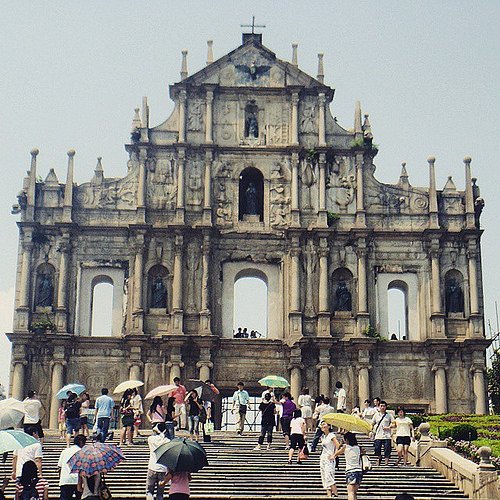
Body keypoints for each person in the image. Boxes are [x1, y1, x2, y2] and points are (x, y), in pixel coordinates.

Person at [57, 434, 86, 500]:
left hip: (65, 480)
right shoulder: (82, 452)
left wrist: (61, 479)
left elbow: (60, 467)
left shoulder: (64, 451)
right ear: (81, 442)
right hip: (78, 481)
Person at [337, 432, 364, 500]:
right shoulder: (358, 447)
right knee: (354, 492)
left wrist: (340, 444)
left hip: (351, 471)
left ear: (347, 440)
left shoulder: (346, 447)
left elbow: (337, 452)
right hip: (359, 472)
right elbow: (363, 452)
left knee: (350, 492)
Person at [146, 423, 170, 500]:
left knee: (149, 491)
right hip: (163, 468)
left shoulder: (151, 439)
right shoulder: (167, 441)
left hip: (152, 467)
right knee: (160, 493)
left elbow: (153, 433)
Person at [319, 421, 341, 498]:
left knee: (329, 476)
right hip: (323, 458)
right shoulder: (323, 436)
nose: (323, 426)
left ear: (328, 426)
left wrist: (334, 455)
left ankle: (336, 494)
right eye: (322, 425)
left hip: (330, 458)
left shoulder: (331, 435)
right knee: (324, 477)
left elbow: (338, 445)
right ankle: (329, 495)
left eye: (324, 424)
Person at [371, 400, 394, 466]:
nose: (382, 407)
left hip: (387, 435)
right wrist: (371, 431)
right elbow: (372, 424)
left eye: (384, 406)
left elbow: (394, 424)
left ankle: (386, 462)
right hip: (378, 435)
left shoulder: (389, 415)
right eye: (381, 406)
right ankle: (379, 457)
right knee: (377, 448)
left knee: (387, 449)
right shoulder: (376, 415)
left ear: (386, 407)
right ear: (379, 407)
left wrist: (389, 427)